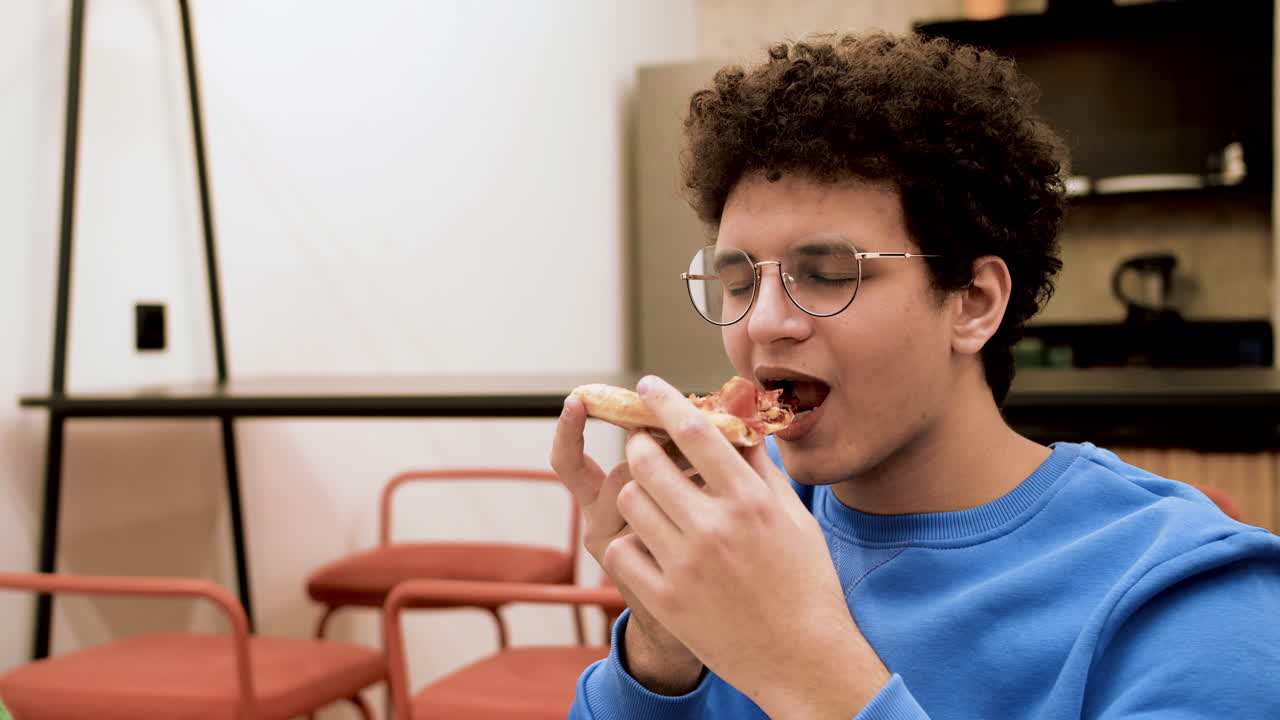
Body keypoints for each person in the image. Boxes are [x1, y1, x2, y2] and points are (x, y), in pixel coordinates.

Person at [551, 31, 1280, 719]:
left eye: (828, 274)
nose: (763, 322)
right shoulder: (736, 518)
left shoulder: (1184, 596)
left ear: (973, 302)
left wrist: (802, 663)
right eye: (738, 281)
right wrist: (659, 650)